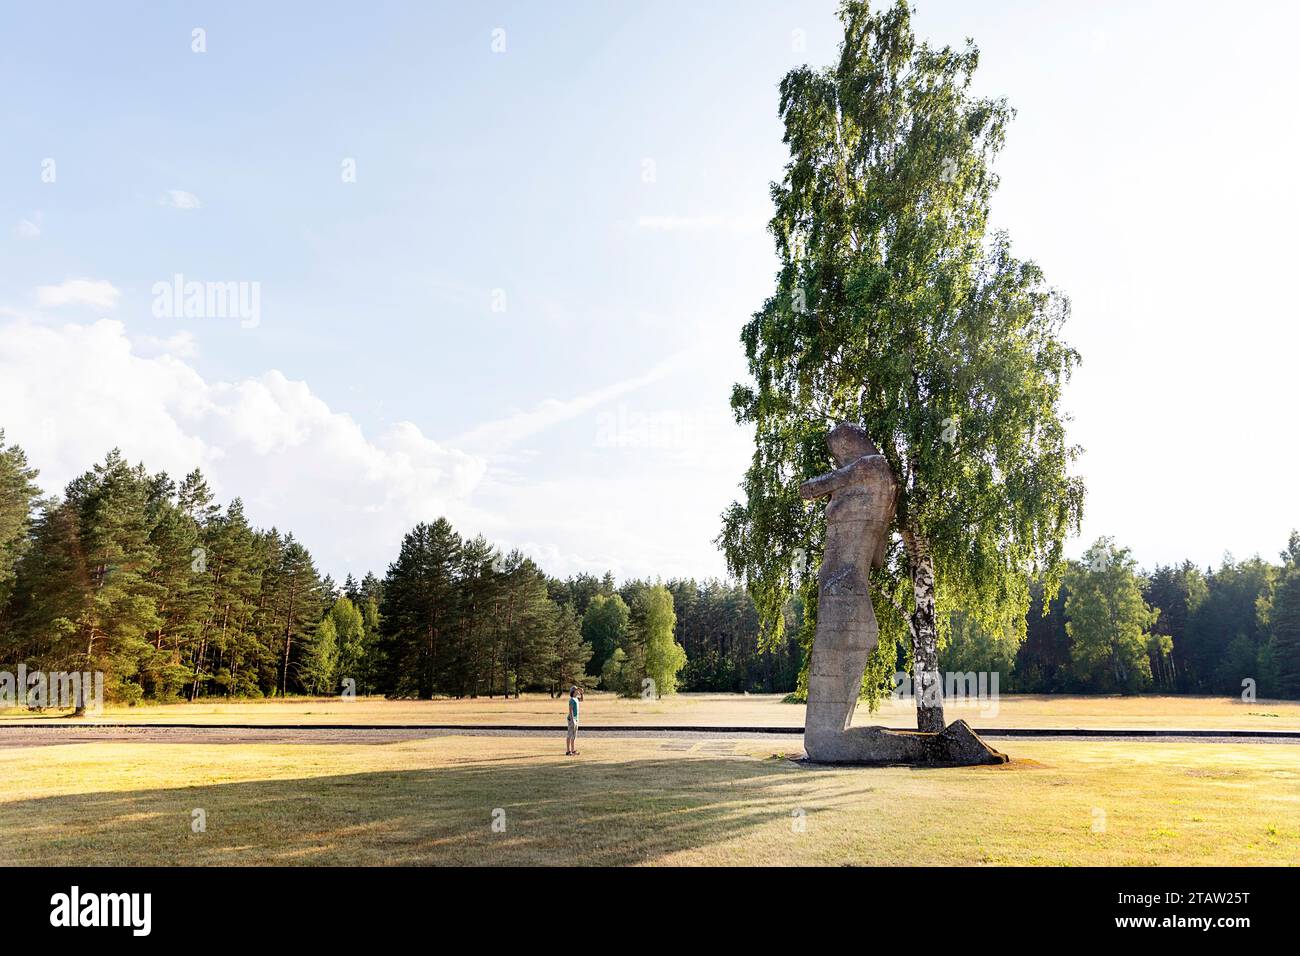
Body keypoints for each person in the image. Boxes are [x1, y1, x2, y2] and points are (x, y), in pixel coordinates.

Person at [565, 685, 583, 755]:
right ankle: (568, 751)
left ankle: (572, 750)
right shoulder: (572, 699)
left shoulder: (576, 699)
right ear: (573, 691)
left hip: (576, 719)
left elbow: (581, 700)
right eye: (576, 690)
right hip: (572, 719)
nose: (578, 691)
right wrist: (573, 720)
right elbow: (570, 710)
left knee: (574, 735)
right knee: (569, 734)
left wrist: (582, 693)